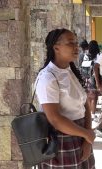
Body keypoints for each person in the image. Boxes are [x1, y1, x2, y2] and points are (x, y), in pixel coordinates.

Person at [35, 28, 95, 168]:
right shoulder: (48, 77)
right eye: (70, 43)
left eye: (76, 42)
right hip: (60, 140)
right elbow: (55, 119)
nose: (76, 47)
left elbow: (84, 105)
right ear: (56, 47)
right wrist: (86, 134)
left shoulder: (70, 71)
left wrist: (87, 139)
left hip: (80, 135)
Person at [84, 40, 101, 120]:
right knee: (94, 97)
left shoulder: (86, 55)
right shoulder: (99, 56)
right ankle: (93, 114)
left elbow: (83, 67)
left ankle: (89, 114)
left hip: (87, 78)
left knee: (89, 97)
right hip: (95, 78)